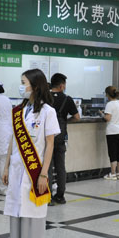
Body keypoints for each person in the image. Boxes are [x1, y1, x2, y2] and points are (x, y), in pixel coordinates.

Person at [1, 69, 59, 238]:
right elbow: (13, 140)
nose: (21, 86)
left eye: (23, 82)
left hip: (34, 172)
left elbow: (50, 144)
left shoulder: (47, 112)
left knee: (32, 218)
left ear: (35, 85)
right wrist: (6, 166)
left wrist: (44, 174)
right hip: (17, 170)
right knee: (16, 216)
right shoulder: (19, 111)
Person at [47, 73, 80, 205]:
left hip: (47, 137)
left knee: (47, 166)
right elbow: (77, 117)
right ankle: (60, 195)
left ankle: (47, 196)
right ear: (61, 86)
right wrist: (66, 121)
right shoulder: (67, 99)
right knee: (60, 166)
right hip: (61, 137)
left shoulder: (45, 97)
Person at [100, 86, 119, 180]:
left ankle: (113, 173)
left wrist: (102, 114)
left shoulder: (109, 104)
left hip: (112, 131)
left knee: (112, 153)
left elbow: (108, 118)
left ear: (107, 94)